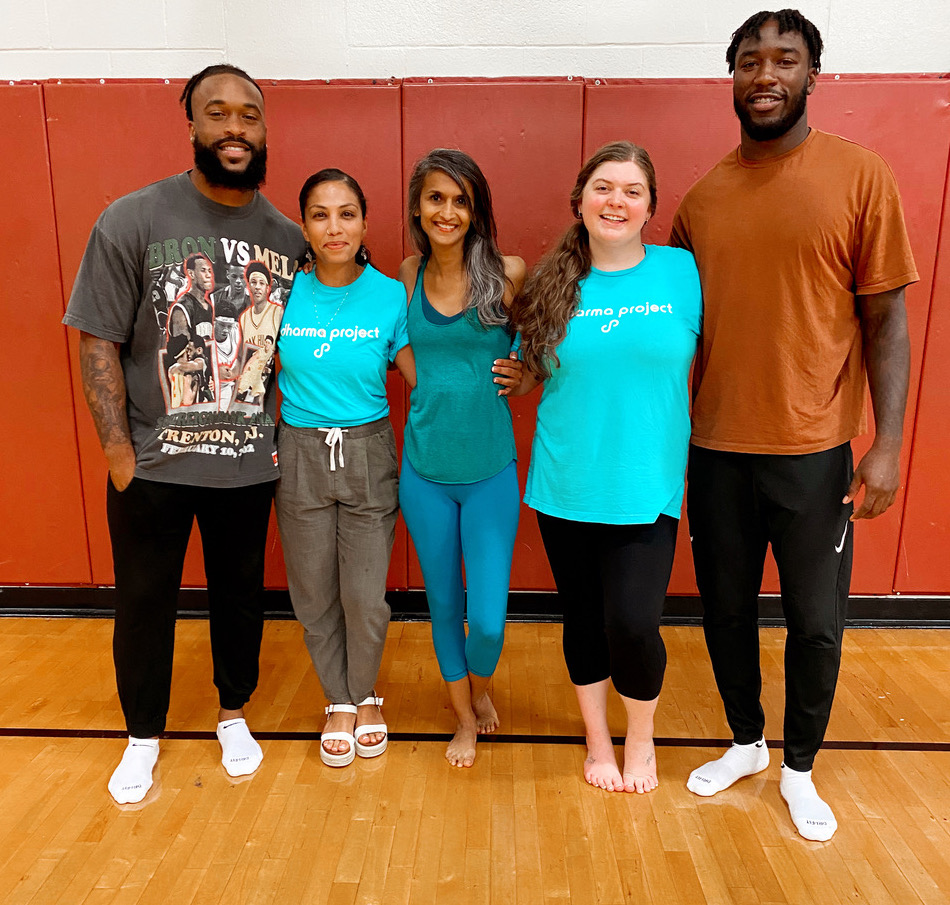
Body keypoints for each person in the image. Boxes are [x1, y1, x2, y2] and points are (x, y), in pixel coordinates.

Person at [670, 9, 917, 841]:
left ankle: (800, 768)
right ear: (732, 76)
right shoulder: (701, 201)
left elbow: (887, 320)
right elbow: (670, 336)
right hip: (715, 451)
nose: (766, 74)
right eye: (750, 60)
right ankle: (747, 742)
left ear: (814, 74)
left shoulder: (860, 175)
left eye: (785, 59)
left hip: (814, 454)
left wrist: (887, 444)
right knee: (725, 613)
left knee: (815, 622)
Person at [62, 64, 303, 805]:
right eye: (217, 112)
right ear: (191, 124)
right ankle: (143, 736)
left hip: (246, 465)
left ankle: (233, 714)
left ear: (264, 130)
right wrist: (119, 455)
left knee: (240, 599)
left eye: (249, 114)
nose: (235, 127)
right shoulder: (132, 219)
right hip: (154, 465)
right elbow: (98, 339)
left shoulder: (288, 238)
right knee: (143, 604)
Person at [511, 141, 701, 794]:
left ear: (650, 207)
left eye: (631, 190)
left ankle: (640, 738)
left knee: (634, 623)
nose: (615, 201)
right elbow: (529, 368)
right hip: (565, 483)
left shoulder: (682, 273)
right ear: (580, 200)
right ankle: (598, 739)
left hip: (647, 487)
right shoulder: (551, 283)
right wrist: (511, 374)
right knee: (584, 619)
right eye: (603, 187)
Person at [275, 168, 416, 767]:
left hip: (366, 452)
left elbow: (422, 377)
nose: (334, 227)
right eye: (320, 215)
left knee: (363, 595)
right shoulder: (280, 293)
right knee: (312, 592)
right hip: (299, 453)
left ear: (364, 223)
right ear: (304, 227)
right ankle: (337, 699)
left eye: (347, 213)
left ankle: (365, 694)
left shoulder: (390, 296)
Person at [398, 149, 526, 768]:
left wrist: (525, 371)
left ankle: (480, 687)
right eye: (435, 198)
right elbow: (396, 344)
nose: (446, 212)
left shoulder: (508, 273)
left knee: (490, 621)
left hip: (490, 473)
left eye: (460, 200)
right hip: (424, 472)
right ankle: (466, 718)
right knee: (445, 605)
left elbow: (539, 341)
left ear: (476, 211)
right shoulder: (407, 273)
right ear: (418, 207)